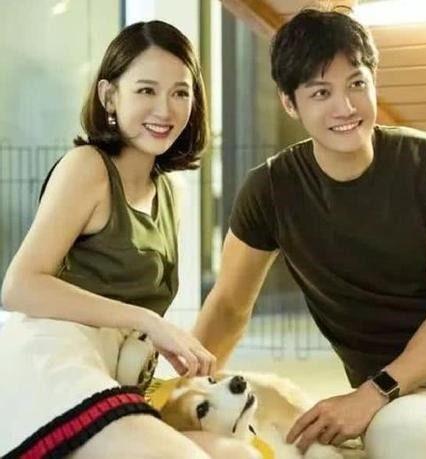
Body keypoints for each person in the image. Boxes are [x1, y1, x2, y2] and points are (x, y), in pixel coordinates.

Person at [193, 7, 426, 459]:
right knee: (396, 440)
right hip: (405, 396)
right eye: (322, 92)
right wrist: (181, 396)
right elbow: (228, 306)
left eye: (357, 84)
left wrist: (372, 393)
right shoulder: (271, 189)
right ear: (290, 103)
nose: (346, 107)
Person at [0, 21, 257, 459]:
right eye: (146, 90)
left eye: (180, 92)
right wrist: (149, 322)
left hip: (108, 381)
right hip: (49, 371)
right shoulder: (88, 168)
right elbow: (19, 286)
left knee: (237, 454)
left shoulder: (171, 193)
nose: (165, 109)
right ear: (109, 96)